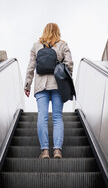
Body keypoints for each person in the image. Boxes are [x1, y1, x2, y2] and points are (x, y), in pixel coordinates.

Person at [24, 23, 73, 159]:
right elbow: (69, 64)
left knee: (42, 117)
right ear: (58, 32)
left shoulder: (36, 46)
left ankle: (44, 151)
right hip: (57, 84)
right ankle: (57, 150)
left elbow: (31, 66)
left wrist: (27, 85)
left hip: (41, 86)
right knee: (57, 117)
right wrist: (67, 80)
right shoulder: (62, 45)